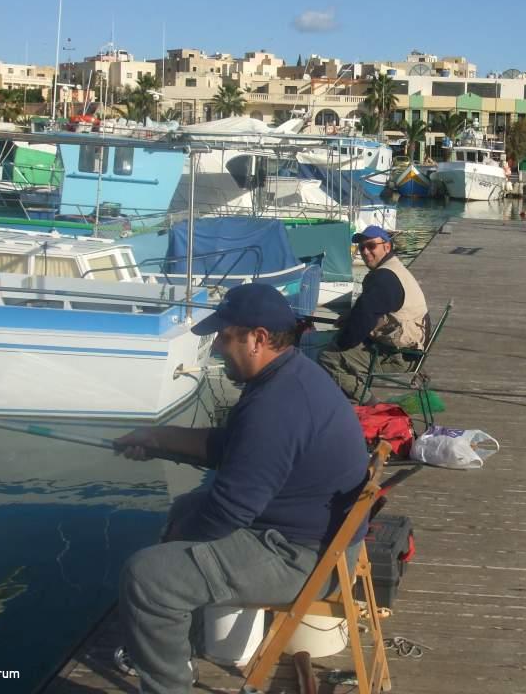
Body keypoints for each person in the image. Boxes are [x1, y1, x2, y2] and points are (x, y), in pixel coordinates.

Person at [115, 283, 369, 694]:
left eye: (224, 336)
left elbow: (231, 509)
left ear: (259, 338)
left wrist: (178, 541)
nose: (215, 347)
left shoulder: (276, 405)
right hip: (318, 540)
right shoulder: (291, 375)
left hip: (304, 559)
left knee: (147, 577)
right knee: (186, 507)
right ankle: (174, 645)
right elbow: (235, 448)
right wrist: (157, 437)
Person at [317, 225, 429, 405]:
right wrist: (350, 319)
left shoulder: (382, 278)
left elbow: (361, 322)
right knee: (338, 343)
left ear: (387, 246)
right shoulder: (393, 269)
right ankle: (349, 397)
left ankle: (371, 405)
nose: (365, 252)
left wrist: (340, 341)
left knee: (328, 357)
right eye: (361, 248)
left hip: (401, 357)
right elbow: (368, 310)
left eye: (371, 246)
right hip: (411, 347)